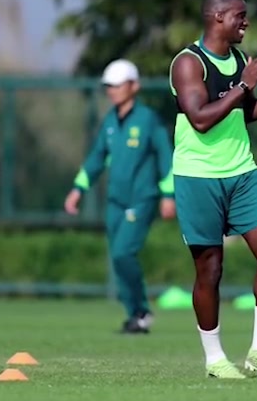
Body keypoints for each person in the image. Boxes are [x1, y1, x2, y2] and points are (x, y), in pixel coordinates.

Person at [169, 0, 257, 379]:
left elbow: (245, 113)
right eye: (239, 16)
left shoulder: (241, 61)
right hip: (198, 176)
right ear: (217, 17)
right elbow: (200, 119)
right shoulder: (188, 63)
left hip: (242, 173)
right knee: (210, 270)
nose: (246, 22)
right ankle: (214, 359)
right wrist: (242, 87)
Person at [64, 58, 176, 334]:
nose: (112, 91)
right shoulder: (110, 121)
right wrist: (78, 189)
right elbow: (96, 158)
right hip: (116, 201)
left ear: (134, 86)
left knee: (123, 252)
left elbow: (166, 156)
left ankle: (141, 310)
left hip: (142, 199)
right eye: (109, 86)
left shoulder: (148, 119)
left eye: (117, 85)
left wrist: (168, 194)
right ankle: (134, 315)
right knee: (117, 258)